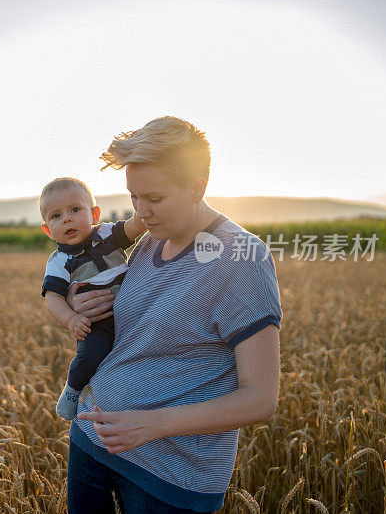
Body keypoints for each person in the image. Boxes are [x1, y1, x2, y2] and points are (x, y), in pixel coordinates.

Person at [66, 116, 283, 513]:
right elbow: (142, 328)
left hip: (168, 474)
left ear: (198, 187)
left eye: (154, 198)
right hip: (92, 440)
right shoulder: (151, 240)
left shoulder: (240, 258)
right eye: (133, 197)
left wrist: (153, 425)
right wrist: (83, 308)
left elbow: (260, 399)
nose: (140, 212)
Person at [38, 177, 146, 420]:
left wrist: (143, 215)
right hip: (97, 323)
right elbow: (53, 297)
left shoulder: (107, 234)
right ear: (47, 230)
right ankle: (73, 390)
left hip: (132, 312)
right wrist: (71, 319)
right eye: (56, 216)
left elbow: (133, 228)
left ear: (95, 215)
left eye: (74, 210)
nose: (66, 219)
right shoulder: (59, 262)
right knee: (91, 355)